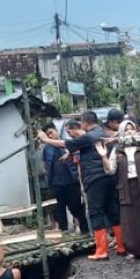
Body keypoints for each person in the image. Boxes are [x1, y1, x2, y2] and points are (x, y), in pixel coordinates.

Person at [37, 110, 125, 260]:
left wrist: (45, 140)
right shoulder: (101, 133)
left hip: (95, 178)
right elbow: (79, 148)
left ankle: (102, 250)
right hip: (109, 176)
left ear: (84, 123)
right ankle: (122, 246)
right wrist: (70, 154)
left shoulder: (88, 136)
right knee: (112, 211)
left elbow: (64, 143)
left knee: (95, 212)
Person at [96, 120, 140, 259]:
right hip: (126, 187)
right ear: (120, 132)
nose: (129, 132)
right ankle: (132, 250)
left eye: (132, 129)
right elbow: (111, 170)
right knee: (129, 219)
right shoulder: (117, 149)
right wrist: (103, 156)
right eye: (126, 130)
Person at [41, 122, 88, 234]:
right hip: (56, 183)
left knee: (76, 206)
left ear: (56, 130)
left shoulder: (67, 143)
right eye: (48, 135)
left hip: (71, 181)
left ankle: (84, 230)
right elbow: (45, 163)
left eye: (51, 132)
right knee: (60, 208)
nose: (50, 136)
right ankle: (64, 231)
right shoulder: (47, 149)